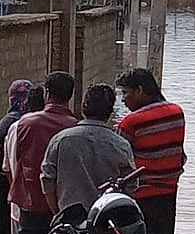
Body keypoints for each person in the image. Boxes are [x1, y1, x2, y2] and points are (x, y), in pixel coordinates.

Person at [116, 68, 186, 234]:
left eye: (126, 93)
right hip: (169, 191)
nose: (124, 100)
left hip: (141, 195)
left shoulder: (130, 123)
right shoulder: (177, 112)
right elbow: (179, 155)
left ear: (140, 91)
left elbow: (120, 162)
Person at [6, 72, 77, 234]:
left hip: (31, 201)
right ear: (69, 95)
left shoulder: (25, 124)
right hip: (63, 204)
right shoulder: (74, 127)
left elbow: (16, 162)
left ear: (47, 94)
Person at [41, 83, 136, 213]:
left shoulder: (61, 139)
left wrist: (57, 214)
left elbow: (47, 180)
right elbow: (131, 185)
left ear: (83, 107)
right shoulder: (121, 145)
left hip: (70, 218)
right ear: (110, 111)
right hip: (105, 219)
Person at [0, 79, 33, 234]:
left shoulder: (12, 120)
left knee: (4, 229)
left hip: (8, 182)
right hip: (22, 183)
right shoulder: (26, 120)